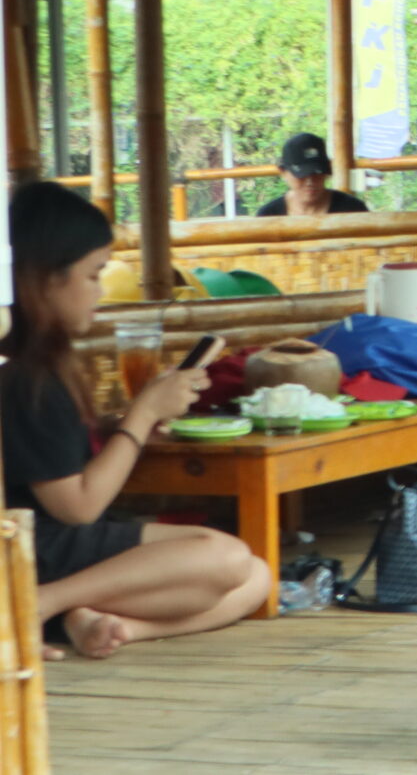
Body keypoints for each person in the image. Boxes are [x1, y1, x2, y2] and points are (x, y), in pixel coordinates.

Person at [3, 181, 268, 658]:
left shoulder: (38, 365)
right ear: (46, 279)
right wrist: (142, 415)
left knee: (260, 577)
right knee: (227, 558)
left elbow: (49, 452)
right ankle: (38, 605)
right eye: (94, 274)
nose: (100, 292)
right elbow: (78, 507)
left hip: (62, 545)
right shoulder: (26, 378)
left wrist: (114, 424)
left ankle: (101, 623)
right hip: (45, 550)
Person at [254, 131, 368, 217]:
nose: (310, 182)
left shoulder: (352, 209)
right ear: (283, 173)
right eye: (301, 175)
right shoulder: (269, 214)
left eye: (317, 174)